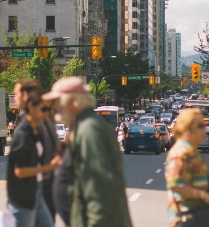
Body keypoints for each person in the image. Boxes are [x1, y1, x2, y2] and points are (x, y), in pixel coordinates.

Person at [44, 77, 132, 227]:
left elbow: (99, 191)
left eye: (58, 101)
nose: (55, 107)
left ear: (72, 101)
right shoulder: (81, 127)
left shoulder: (89, 130)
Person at [8, 79, 61, 227]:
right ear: (32, 106)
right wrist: (47, 168)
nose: (47, 112)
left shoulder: (36, 128)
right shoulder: (24, 132)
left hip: (38, 191)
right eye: (44, 109)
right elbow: (19, 171)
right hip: (25, 196)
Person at [165, 109, 209, 227]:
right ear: (186, 129)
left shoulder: (193, 152)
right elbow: (176, 185)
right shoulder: (180, 153)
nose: (204, 129)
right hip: (187, 219)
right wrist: (203, 196)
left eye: (203, 125)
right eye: (199, 126)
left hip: (200, 217)